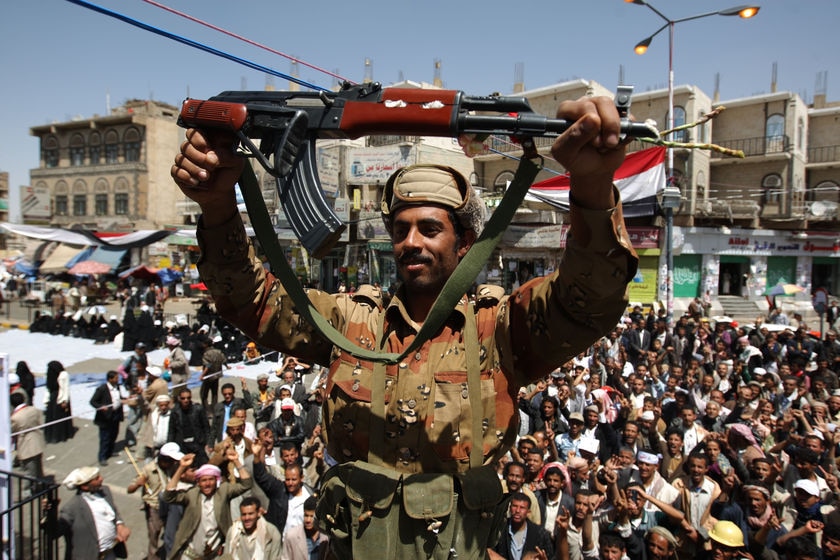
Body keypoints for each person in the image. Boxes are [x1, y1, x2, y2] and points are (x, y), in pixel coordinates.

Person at [173, 95, 638, 558]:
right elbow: (251, 300)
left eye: (429, 229)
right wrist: (217, 207)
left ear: (466, 243)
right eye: (400, 230)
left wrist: (593, 185)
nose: (411, 242)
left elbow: (588, 301)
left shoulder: (498, 329)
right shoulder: (351, 322)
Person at [162, 448, 253, 560]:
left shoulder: (223, 491)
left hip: (214, 555)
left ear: (216, 481)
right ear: (198, 483)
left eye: (211, 479)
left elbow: (246, 484)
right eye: (204, 480)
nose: (207, 484)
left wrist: (236, 461)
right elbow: (168, 496)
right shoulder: (192, 494)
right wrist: (181, 468)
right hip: (190, 555)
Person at [46, 466, 131, 560]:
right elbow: (54, 532)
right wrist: (50, 513)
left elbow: (113, 510)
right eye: (96, 478)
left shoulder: (105, 491)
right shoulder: (72, 508)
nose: (101, 479)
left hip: (110, 552)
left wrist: (120, 524)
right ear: (85, 486)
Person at [127, 442, 184, 560]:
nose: (174, 463)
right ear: (163, 460)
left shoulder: (174, 467)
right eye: (171, 461)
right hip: (155, 507)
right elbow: (130, 489)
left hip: (170, 505)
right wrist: (138, 484)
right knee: (154, 534)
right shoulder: (148, 469)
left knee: (172, 533)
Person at [490, 492, 554, 560]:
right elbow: (489, 551)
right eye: (514, 506)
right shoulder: (500, 529)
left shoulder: (540, 533)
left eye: (522, 508)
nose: (517, 510)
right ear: (510, 508)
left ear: (528, 512)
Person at [90, 370, 130, 466]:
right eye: (116, 378)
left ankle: (110, 451)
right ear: (110, 379)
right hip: (105, 418)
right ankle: (102, 457)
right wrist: (101, 407)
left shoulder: (117, 387)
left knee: (113, 434)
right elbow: (93, 401)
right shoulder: (102, 389)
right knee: (105, 438)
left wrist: (125, 399)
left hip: (115, 415)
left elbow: (118, 398)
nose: (117, 380)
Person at [10, 391, 46, 497]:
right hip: (37, 442)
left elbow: (13, 431)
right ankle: (40, 486)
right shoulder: (33, 410)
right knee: (38, 467)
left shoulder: (15, 418)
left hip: (26, 446)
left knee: (29, 471)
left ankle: (27, 492)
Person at [168, 387, 211, 466]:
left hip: (197, 444)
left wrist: (208, 442)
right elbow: (171, 431)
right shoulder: (175, 411)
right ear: (179, 399)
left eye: (188, 398)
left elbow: (206, 427)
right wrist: (170, 447)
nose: (186, 400)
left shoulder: (198, 409)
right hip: (182, 445)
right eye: (183, 398)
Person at [283, 495, 329, 560]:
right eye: (306, 515)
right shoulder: (291, 536)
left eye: (311, 516)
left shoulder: (326, 538)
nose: (308, 520)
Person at [44, 359, 73, 443]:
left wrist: (64, 401)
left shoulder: (63, 375)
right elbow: (48, 388)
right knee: (52, 416)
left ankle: (61, 435)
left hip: (60, 397)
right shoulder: (50, 375)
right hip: (53, 397)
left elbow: (65, 388)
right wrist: (46, 399)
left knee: (60, 416)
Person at [199, 336, 227, 413]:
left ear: (206, 345)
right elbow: (224, 360)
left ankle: (207, 410)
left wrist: (202, 375)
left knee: (203, 394)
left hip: (209, 377)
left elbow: (208, 366)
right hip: (217, 376)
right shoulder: (218, 351)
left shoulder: (206, 354)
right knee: (214, 393)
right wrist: (227, 366)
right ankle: (214, 409)